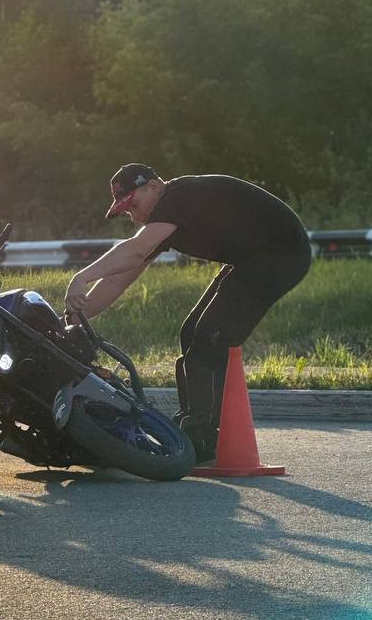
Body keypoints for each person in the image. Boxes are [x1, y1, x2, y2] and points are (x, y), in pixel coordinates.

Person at [64, 164, 311, 462]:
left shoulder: (178, 196)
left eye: (134, 205)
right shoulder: (164, 219)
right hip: (250, 259)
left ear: (154, 186)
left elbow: (134, 250)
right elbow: (120, 277)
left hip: (282, 254)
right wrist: (75, 318)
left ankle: (203, 436)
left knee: (211, 335)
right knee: (191, 332)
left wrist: (81, 277)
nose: (134, 216)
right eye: (126, 211)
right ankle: (192, 421)